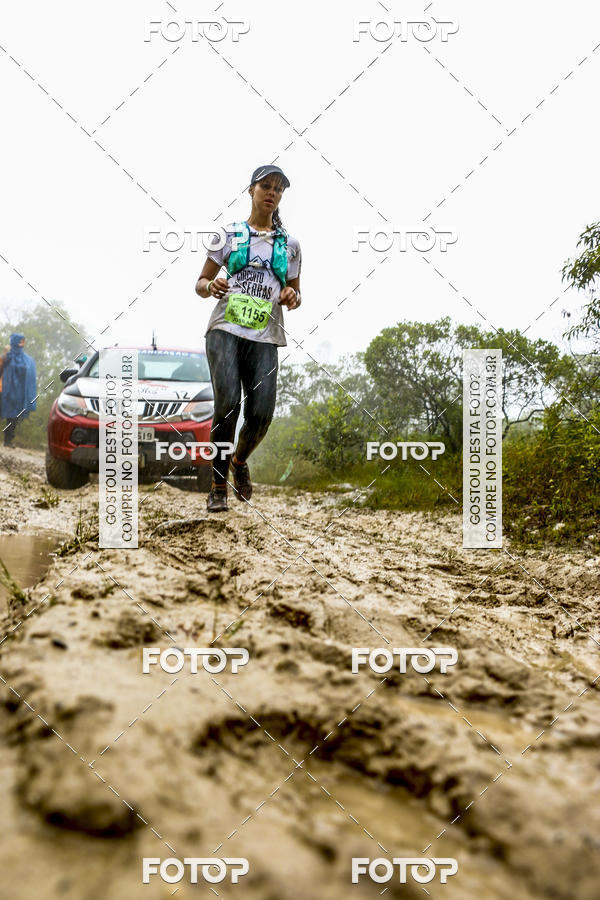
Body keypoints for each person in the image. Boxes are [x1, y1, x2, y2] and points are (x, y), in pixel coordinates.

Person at [196, 164, 302, 512]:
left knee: (261, 414)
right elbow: (200, 283)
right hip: (225, 329)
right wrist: (212, 286)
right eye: (266, 186)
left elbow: (295, 293)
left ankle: (238, 463)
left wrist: (291, 297)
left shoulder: (290, 245)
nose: (272, 193)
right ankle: (216, 485)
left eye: (279, 189)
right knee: (227, 406)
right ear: (251, 190)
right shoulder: (227, 235)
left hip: (265, 336)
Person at [0, 333, 37, 448]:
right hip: (3, 390)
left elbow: (29, 375)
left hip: (17, 394)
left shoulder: (27, 359)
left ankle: (8, 441)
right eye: (20, 341)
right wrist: (5, 355)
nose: (22, 343)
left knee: (13, 417)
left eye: (23, 341)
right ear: (14, 341)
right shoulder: (6, 356)